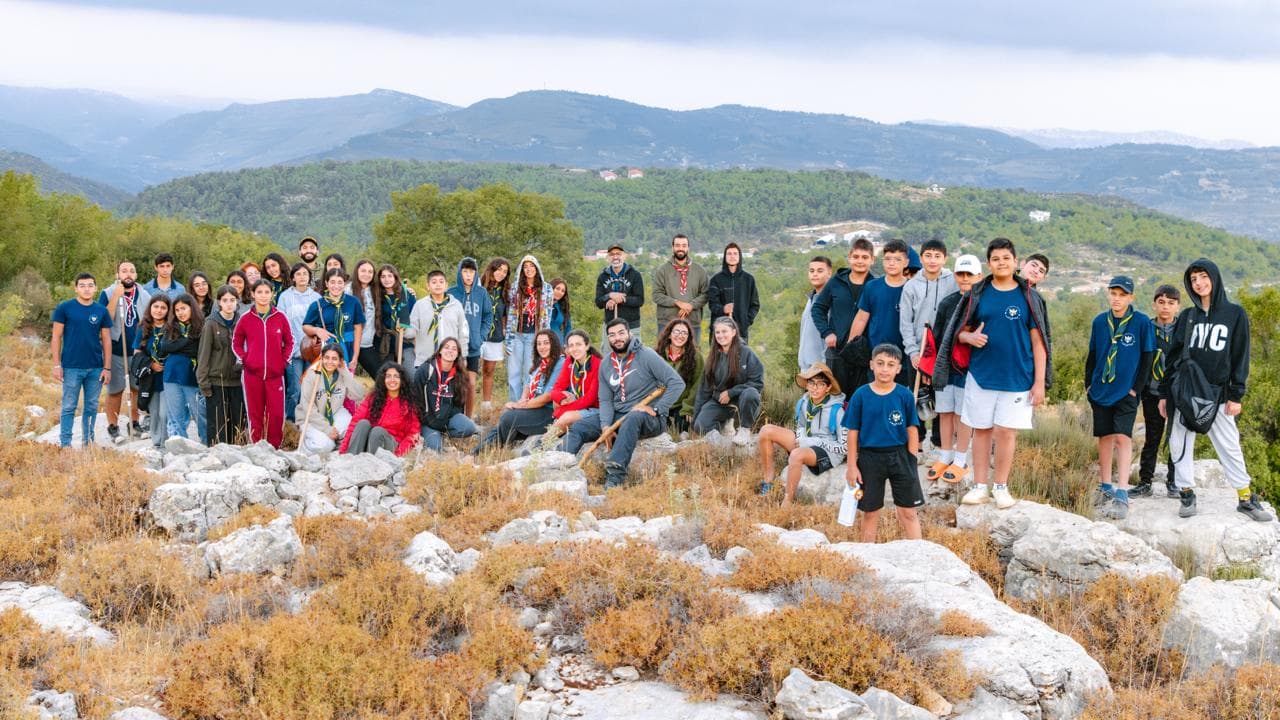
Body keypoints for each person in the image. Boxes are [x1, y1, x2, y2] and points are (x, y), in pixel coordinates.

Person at [934, 238, 1050, 510]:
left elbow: (1039, 343)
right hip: (981, 375)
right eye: (996, 259)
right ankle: (979, 486)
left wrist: (1040, 383)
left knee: (1006, 432)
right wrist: (968, 337)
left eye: (1006, 258)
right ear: (989, 263)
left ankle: (1001, 487)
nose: (1001, 263)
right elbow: (956, 333)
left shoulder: (1029, 297)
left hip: (1018, 376)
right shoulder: (977, 293)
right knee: (982, 430)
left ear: (1015, 262)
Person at [1159, 259, 1272, 521]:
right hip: (1186, 393)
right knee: (1180, 443)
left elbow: (1240, 355)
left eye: (1202, 276)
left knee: (1229, 445)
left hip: (1219, 393)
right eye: (1193, 279)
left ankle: (1245, 498)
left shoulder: (1234, 314)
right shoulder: (1188, 316)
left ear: (1214, 277)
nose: (1198, 283)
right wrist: (1165, 393)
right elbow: (1173, 356)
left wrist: (1236, 394)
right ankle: (1186, 493)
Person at [559, 319, 685, 489]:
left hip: (648, 418)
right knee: (580, 426)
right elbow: (605, 400)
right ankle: (560, 464)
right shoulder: (606, 364)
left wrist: (657, 408)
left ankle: (615, 476)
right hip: (619, 416)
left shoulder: (646, 355)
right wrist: (605, 426)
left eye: (621, 333)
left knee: (632, 417)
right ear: (608, 339)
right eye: (612, 335)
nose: (617, 338)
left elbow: (677, 383)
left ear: (629, 334)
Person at [1084, 277, 1156, 520]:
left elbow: (1147, 357)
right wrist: (1088, 386)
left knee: (1123, 438)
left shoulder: (1141, 322)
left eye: (1122, 294)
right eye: (1113, 293)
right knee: (1104, 437)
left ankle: (1122, 491)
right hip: (1101, 389)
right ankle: (1105, 486)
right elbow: (1093, 355)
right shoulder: (1099, 322)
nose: (1117, 298)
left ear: (1131, 298)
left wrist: (1137, 389)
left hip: (1126, 391)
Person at [845, 344, 924, 542]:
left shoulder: (904, 395)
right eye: (880, 363)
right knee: (870, 513)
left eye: (891, 364)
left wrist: (912, 460)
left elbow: (912, 430)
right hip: (869, 458)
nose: (885, 369)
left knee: (908, 512)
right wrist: (852, 466)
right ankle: (867, 558)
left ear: (898, 368)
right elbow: (853, 432)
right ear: (871, 365)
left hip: (900, 456)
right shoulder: (861, 395)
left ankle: (919, 554)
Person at [757, 362, 847, 505]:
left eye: (821, 384)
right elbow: (800, 426)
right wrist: (801, 439)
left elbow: (844, 448)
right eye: (811, 383)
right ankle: (768, 482)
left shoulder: (837, 411)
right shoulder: (804, 402)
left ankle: (787, 501)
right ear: (806, 384)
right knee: (766, 431)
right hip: (806, 441)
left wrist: (810, 442)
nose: (815, 388)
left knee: (796, 455)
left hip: (827, 451)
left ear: (828, 387)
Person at [927, 254, 981, 485]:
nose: (965, 278)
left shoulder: (982, 302)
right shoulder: (947, 303)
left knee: (963, 414)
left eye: (970, 274)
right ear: (955, 275)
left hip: (969, 368)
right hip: (946, 366)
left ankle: (961, 459)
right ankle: (945, 454)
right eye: (961, 273)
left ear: (979, 276)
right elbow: (938, 336)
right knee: (945, 412)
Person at [473, 329, 566, 452]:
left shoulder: (560, 363)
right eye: (539, 344)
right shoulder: (540, 363)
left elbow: (548, 396)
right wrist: (522, 400)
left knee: (507, 419)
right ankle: (478, 453)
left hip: (549, 413)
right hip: (535, 408)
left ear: (554, 344)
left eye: (546, 343)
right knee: (506, 417)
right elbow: (528, 384)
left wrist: (521, 406)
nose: (542, 347)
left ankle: (482, 452)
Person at [51, 273, 113, 448]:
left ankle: (88, 442)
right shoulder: (65, 308)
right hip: (71, 367)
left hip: (95, 368)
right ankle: (65, 444)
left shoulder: (101, 311)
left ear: (95, 288)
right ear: (76, 288)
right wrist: (57, 365)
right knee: (69, 406)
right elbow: (56, 337)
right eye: (83, 285)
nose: (86, 289)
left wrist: (107, 368)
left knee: (91, 407)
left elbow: (107, 340)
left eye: (90, 285)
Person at [1133, 284, 1182, 498]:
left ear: (1178, 307)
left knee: (1176, 437)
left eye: (1171, 303)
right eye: (1161, 302)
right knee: (1152, 437)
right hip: (1151, 391)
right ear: (1154, 305)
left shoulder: (1183, 330)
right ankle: (1145, 481)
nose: (1166, 307)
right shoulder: (1146, 329)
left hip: (1176, 393)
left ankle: (1174, 481)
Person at [233, 279, 293, 448]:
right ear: (252, 294)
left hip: (275, 374)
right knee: (255, 413)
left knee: (276, 414)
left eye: (267, 292)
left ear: (272, 294)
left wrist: (283, 362)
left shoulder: (280, 317)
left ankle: (274, 447)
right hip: (252, 374)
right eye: (259, 292)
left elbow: (290, 341)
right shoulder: (245, 319)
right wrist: (245, 359)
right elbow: (236, 342)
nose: (263, 296)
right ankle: (256, 447)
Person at [811, 239, 875, 394]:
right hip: (837, 352)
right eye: (856, 256)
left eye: (865, 257)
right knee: (835, 397)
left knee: (860, 400)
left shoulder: (875, 285)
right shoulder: (835, 282)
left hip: (864, 354)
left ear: (872, 260)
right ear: (849, 257)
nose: (860, 261)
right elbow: (818, 308)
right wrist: (826, 332)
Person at [99, 260, 150, 442]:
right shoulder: (107, 293)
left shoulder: (144, 295)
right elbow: (104, 319)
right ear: (117, 275)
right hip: (115, 350)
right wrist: (116, 297)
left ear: (136, 275)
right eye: (124, 271)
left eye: (131, 271)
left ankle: (134, 423)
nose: (128, 274)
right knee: (115, 390)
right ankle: (113, 426)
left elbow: (150, 320)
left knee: (136, 388)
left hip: (137, 351)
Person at [848, 239, 911, 386]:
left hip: (904, 355)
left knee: (899, 397)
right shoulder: (872, 286)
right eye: (888, 259)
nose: (892, 263)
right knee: (877, 394)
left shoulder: (912, 288)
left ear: (906, 262)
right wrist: (850, 347)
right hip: (876, 353)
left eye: (897, 259)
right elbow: (861, 318)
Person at [692, 316, 764, 437]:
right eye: (717, 332)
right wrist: (695, 420)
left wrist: (731, 392)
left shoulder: (747, 353)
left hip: (742, 400)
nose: (721, 335)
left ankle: (744, 430)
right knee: (700, 426)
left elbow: (757, 383)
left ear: (733, 332)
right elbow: (704, 390)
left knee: (751, 393)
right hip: (720, 401)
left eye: (724, 331)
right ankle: (724, 429)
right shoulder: (713, 357)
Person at [197, 285, 246, 445]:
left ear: (237, 301)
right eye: (225, 300)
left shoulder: (242, 321)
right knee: (218, 425)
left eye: (232, 300)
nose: (229, 304)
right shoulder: (211, 324)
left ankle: (238, 456)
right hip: (217, 381)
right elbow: (203, 355)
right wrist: (204, 383)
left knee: (238, 423)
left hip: (238, 380)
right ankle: (217, 456)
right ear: (219, 302)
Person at [296, 343, 366, 454]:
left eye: (334, 359)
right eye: (327, 358)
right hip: (310, 417)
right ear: (322, 358)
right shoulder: (312, 374)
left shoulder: (342, 374)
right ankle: (305, 447)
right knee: (324, 445)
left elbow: (359, 395)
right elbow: (308, 407)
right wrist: (327, 429)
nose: (330, 362)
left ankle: (336, 446)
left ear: (340, 361)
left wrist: (345, 372)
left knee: (353, 432)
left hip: (334, 413)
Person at [341, 363, 421, 456]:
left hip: (390, 447)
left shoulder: (409, 403)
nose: (392, 380)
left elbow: (413, 434)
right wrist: (342, 450)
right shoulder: (373, 398)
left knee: (377, 431)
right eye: (388, 376)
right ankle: (351, 459)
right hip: (369, 443)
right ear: (383, 379)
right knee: (363, 423)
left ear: (402, 380)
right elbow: (355, 422)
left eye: (396, 376)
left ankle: (373, 465)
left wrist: (398, 454)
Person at [900, 240, 957, 371]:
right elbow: (906, 323)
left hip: (946, 351)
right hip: (919, 352)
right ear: (921, 258)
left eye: (937, 256)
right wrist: (913, 352)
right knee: (918, 391)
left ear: (945, 259)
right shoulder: (911, 286)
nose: (932, 260)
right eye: (928, 255)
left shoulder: (954, 281)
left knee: (941, 391)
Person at [415, 337, 478, 452]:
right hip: (428, 422)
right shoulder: (426, 370)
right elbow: (415, 399)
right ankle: (433, 436)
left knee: (469, 428)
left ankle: (445, 434)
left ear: (458, 354)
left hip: (446, 421)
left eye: (454, 349)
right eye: (447, 347)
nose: (450, 351)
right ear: (440, 351)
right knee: (435, 449)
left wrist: (445, 422)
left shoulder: (460, 375)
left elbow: (459, 404)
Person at [506, 255, 555, 401]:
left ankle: (527, 402)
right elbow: (510, 312)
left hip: (535, 335)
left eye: (531, 266)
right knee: (513, 371)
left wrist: (545, 335)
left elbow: (548, 313)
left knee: (530, 370)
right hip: (517, 334)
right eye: (525, 267)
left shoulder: (546, 288)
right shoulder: (515, 287)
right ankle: (514, 402)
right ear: (522, 269)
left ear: (537, 268)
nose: (529, 269)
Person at [448, 257, 493, 413]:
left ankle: (469, 418)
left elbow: (488, 316)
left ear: (476, 274)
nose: (468, 275)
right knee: (454, 382)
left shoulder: (481, 293)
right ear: (460, 273)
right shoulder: (451, 293)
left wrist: (481, 337)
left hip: (473, 346)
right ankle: (454, 415)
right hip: (454, 347)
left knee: (471, 383)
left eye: (471, 272)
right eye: (465, 271)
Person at [160, 293, 206, 443]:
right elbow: (165, 346)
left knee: (199, 412)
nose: (181, 312)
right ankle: (178, 444)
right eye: (177, 310)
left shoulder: (201, 326)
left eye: (184, 308)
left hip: (191, 375)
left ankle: (207, 442)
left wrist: (177, 346)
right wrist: (187, 340)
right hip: (171, 375)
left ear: (192, 308)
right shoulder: (171, 327)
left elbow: (198, 350)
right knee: (175, 413)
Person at [277, 263, 319, 423]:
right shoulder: (285, 297)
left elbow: (320, 323)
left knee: (309, 389)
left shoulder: (316, 297)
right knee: (295, 389)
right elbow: (280, 322)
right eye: (298, 274)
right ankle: (290, 421)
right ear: (293, 277)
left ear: (309, 277)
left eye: (305, 274)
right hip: (293, 350)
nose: (302, 277)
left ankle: (307, 421)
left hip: (312, 350)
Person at [303, 268, 365, 372]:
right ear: (326, 283)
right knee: (326, 384)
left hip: (347, 348)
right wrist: (317, 330)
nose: (336, 286)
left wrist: (355, 356)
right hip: (327, 350)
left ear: (344, 284)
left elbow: (358, 330)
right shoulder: (317, 305)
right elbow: (305, 326)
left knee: (345, 384)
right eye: (332, 282)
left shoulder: (353, 302)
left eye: (340, 282)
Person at [653, 233, 710, 338]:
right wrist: (677, 303)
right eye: (677, 245)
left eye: (684, 245)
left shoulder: (699, 271)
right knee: (663, 354)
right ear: (672, 247)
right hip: (667, 322)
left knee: (692, 354)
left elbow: (705, 294)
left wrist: (690, 305)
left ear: (688, 248)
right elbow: (656, 295)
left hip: (692, 322)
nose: (681, 248)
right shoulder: (663, 270)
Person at [409, 269, 468, 371]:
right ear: (428, 286)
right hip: (425, 360)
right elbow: (411, 330)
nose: (438, 285)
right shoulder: (419, 305)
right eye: (434, 282)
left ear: (446, 285)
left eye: (441, 282)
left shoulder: (456, 305)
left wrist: (463, 356)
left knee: (448, 386)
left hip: (450, 360)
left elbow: (463, 333)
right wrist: (402, 326)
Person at [135, 295, 172, 449]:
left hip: (167, 377)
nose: (159, 310)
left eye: (163, 307)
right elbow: (137, 352)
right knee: (154, 413)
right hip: (150, 378)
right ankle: (156, 443)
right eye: (156, 306)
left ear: (168, 310)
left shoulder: (172, 329)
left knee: (165, 413)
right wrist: (150, 364)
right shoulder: (144, 328)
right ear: (150, 308)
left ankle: (166, 441)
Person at [655, 318, 702, 433]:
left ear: (688, 337)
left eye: (684, 333)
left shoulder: (696, 357)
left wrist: (689, 408)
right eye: (676, 331)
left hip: (681, 404)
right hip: (661, 402)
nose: (680, 335)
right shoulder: (656, 355)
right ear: (669, 335)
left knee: (681, 429)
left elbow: (698, 384)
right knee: (659, 429)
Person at [548, 330, 601, 433]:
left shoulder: (598, 364)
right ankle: (561, 427)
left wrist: (562, 411)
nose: (574, 349)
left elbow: (590, 399)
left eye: (578, 344)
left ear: (587, 346)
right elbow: (556, 389)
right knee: (559, 399)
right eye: (571, 345)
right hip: (580, 402)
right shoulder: (570, 361)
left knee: (567, 417)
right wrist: (561, 398)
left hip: (596, 408)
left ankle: (542, 443)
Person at [707, 242, 760, 342]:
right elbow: (712, 305)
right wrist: (723, 309)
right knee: (718, 358)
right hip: (719, 333)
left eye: (735, 254)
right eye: (729, 254)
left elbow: (755, 305)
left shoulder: (748, 280)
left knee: (739, 358)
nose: (732, 256)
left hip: (740, 333)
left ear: (739, 257)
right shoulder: (716, 280)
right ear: (725, 257)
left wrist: (746, 321)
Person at [479, 257, 511, 410]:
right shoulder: (479, 287)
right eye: (499, 269)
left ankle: (486, 405)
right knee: (470, 370)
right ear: (492, 269)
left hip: (496, 336)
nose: (501, 273)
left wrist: (505, 333)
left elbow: (505, 314)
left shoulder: (506, 291)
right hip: (478, 334)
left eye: (505, 271)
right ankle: (464, 405)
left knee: (489, 370)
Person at [374, 263, 418, 371]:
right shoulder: (376, 296)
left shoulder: (407, 295)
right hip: (385, 343)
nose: (386, 279)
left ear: (395, 277)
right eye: (383, 276)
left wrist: (417, 345)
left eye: (390, 275)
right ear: (379, 279)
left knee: (411, 373)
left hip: (405, 341)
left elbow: (415, 320)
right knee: (387, 375)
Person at [595, 244, 644, 337]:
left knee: (633, 351)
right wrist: (609, 296)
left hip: (631, 326)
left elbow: (640, 300)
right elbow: (598, 302)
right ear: (608, 258)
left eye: (618, 254)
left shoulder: (635, 275)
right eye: (612, 254)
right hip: (610, 326)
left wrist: (622, 299)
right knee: (608, 352)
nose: (615, 257)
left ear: (624, 256)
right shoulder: (603, 277)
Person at [798, 256, 832, 372]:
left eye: (820, 271)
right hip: (806, 368)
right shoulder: (811, 299)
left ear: (829, 273)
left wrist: (824, 364)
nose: (815, 274)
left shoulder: (831, 301)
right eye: (812, 271)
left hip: (821, 368)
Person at [349, 259, 380, 377]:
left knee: (381, 375)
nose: (366, 274)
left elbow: (393, 289)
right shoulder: (348, 290)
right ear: (357, 271)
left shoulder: (376, 290)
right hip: (350, 343)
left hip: (367, 344)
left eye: (370, 272)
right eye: (363, 271)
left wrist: (407, 291)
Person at [549, 278, 572, 344]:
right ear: (551, 287)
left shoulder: (562, 307)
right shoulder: (541, 304)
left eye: (563, 291)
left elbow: (568, 328)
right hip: (542, 344)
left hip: (559, 344)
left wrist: (567, 344)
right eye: (557, 288)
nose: (560, 292)